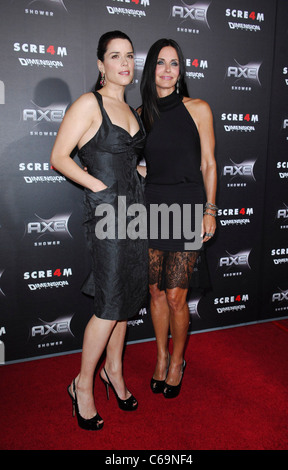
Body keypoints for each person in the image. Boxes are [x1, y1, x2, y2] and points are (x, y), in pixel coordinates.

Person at [50, 31, 148, 430]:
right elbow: (59, 157)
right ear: (100, 64)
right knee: (109, 305)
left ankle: (114, 372)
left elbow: (129, 161)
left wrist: (141, 173)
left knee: (125, 301)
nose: (125, 63)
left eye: (129, 56)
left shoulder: (132, 111)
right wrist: (98, 186)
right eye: (115, 56)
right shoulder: (89, 104)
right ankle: (83, 386)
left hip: (137, 214)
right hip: (108, 215)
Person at [140, 38, 217, 398]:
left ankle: (177, 360)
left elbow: (208, 164)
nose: (167, 70)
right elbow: (144, 166)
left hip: (187, 207)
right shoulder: (141, 115)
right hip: (153, 207)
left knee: (175, 295)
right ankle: (159, 356)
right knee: (155, 292)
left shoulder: (198, 108)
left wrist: (210, 209)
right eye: (160, 63)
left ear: (181, 70)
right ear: (150, 69)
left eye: (174, 63)